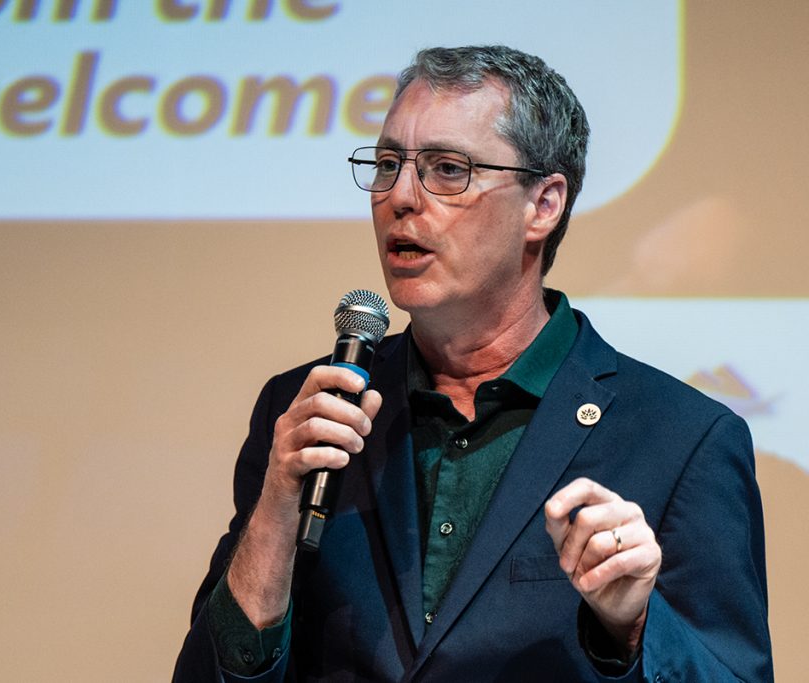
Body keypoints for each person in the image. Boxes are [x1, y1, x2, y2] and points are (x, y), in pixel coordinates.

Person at [172, 45, 772, 682]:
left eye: (448, 170)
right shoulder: (307, 409)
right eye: (387, 164)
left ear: (543, 204)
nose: (401, 197)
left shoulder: (682, 439)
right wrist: (274, 512)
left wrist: (633, 627)